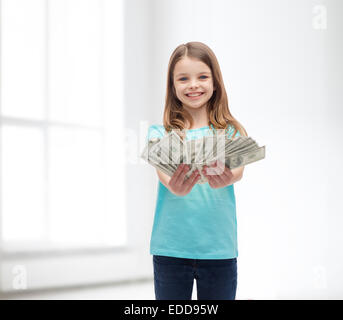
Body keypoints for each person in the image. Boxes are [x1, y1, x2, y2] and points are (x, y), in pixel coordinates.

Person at [146, 41, 248, 300]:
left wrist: (227, 177)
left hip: (219, 250)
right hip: (170, 250)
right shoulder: (160, 134)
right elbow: (164, 176)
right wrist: (174, 186)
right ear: (173, 86)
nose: (193, 85)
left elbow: (238, 170)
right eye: (183, 78)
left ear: (215, 82)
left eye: (202, 76)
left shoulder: (231, 132)